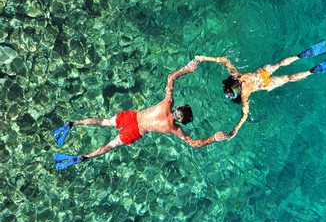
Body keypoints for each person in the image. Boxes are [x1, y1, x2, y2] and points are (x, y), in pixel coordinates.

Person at [53, 59, 228, 170]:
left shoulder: (168, 103)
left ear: (177, 108)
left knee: (105, 122)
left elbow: (171, 78)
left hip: (132, 117)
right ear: (182, 121)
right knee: (110, 146)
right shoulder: (175, 129)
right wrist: (214, 137)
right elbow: (195, 144)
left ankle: (73, 123)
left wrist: (188, 69)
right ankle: (84, 157)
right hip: (136, 131)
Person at [196, 40, 326, 140]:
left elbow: (244, 115)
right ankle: (302, 55)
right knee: (279, 64)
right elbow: (224, 60)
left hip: (265, 84)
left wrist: (235, 130)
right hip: (262, 72)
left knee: (288, 78)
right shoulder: (237, 76)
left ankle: (313, 71)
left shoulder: (244, 96)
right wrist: (204, 58)